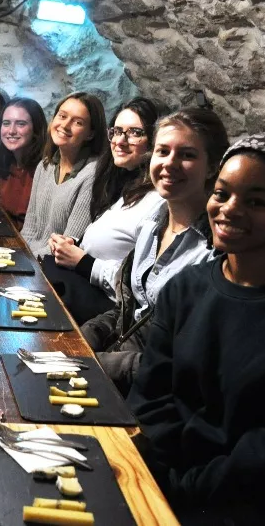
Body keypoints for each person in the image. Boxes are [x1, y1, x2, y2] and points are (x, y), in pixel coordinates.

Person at [127, 134, 265, 524]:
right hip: (161, 481)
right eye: (222, 194)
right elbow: (152, 399)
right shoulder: (185, 289)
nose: (229, 210)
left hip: (241, 508)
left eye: (256, 202)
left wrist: (180, 492)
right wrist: (159, 477)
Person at [81, 107, 229, 394]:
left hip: (155, 392)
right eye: (163, 151)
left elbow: (185, 361)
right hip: (122, 369)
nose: (169, 163)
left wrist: (99, 365)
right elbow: (132, 308)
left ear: (212, 166)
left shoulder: (214, 246)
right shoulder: (151, 223)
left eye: (187, 155)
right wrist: (87, 335)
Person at [43, 98, 165, 324]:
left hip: (102, 309)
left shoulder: (158, 202)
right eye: (117, 131)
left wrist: (83, 262)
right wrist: (76, 243)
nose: (120, 140)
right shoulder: (125, 186)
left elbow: (142, 286)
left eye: (134, 132)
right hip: (81, 287)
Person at [20, 91, 107, 257]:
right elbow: (30, 229)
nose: (65, 125)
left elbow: (67, 244)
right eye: (62, 116)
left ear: (90, 133)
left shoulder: (92, 174)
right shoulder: (44, 166)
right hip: (31, 260)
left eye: (78, 122)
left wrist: (27, 262)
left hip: (55, 267)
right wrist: (18, 257)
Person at [0, 97, 47, 229]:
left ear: (35, 129)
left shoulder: (44, 170)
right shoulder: (3, 164)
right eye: (6, 123)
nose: (11, 131)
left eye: (21, 124)